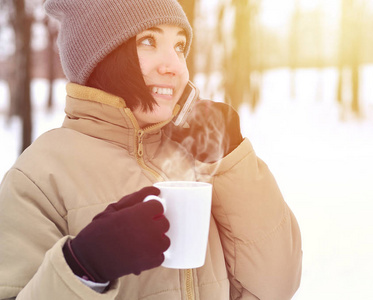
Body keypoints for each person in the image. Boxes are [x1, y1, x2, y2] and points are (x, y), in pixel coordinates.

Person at [0, 0, 302, 299]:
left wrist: (233, 160)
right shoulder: (39, 177)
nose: (174, 67)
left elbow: (276, 286)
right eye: (148, 41)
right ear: (100, 56)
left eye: (180, 46)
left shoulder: (197, 155)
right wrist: (82, 267)